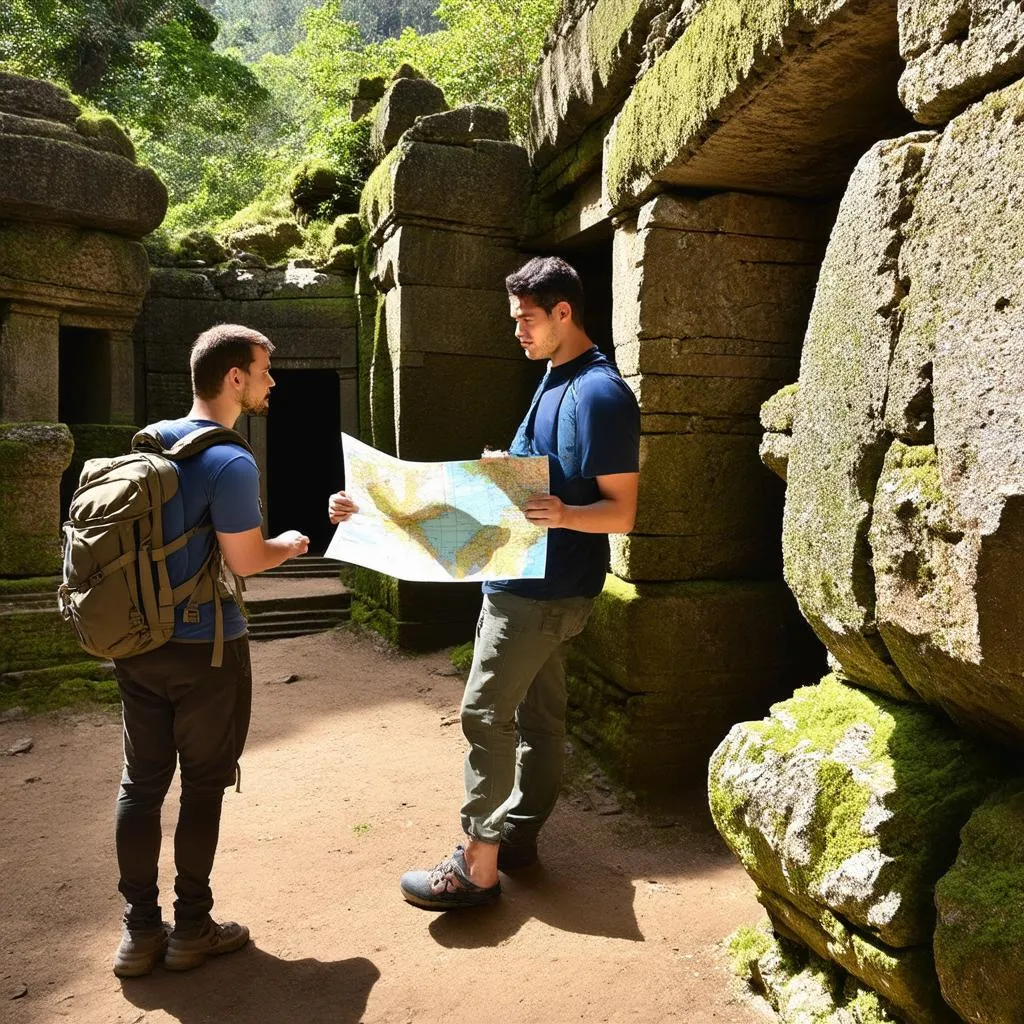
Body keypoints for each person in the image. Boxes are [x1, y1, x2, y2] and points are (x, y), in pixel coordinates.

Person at [394, 255, 640, 909]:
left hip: (542, 593)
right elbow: (556, 470)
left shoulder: (601, 394)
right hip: (525, 578)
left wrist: (562, 512)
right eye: (515, 320)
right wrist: (511, 470)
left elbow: (621, 509)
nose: (518, 333)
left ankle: (476, 865)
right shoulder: (557, 375)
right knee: (539, 720)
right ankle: (517, 837)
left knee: (484, 714)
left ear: (564, 312)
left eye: (527, 320)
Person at [112, 324, 310, 977]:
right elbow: (246, 558)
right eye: (264, 370)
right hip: (206, 652)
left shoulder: (149, 443)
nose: (271, 382)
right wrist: (289, 543)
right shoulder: (230, 460)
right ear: (234, 378)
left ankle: (140, 934)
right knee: (201, 788)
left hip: (137, 644)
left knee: (140, 788)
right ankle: (191, 928)